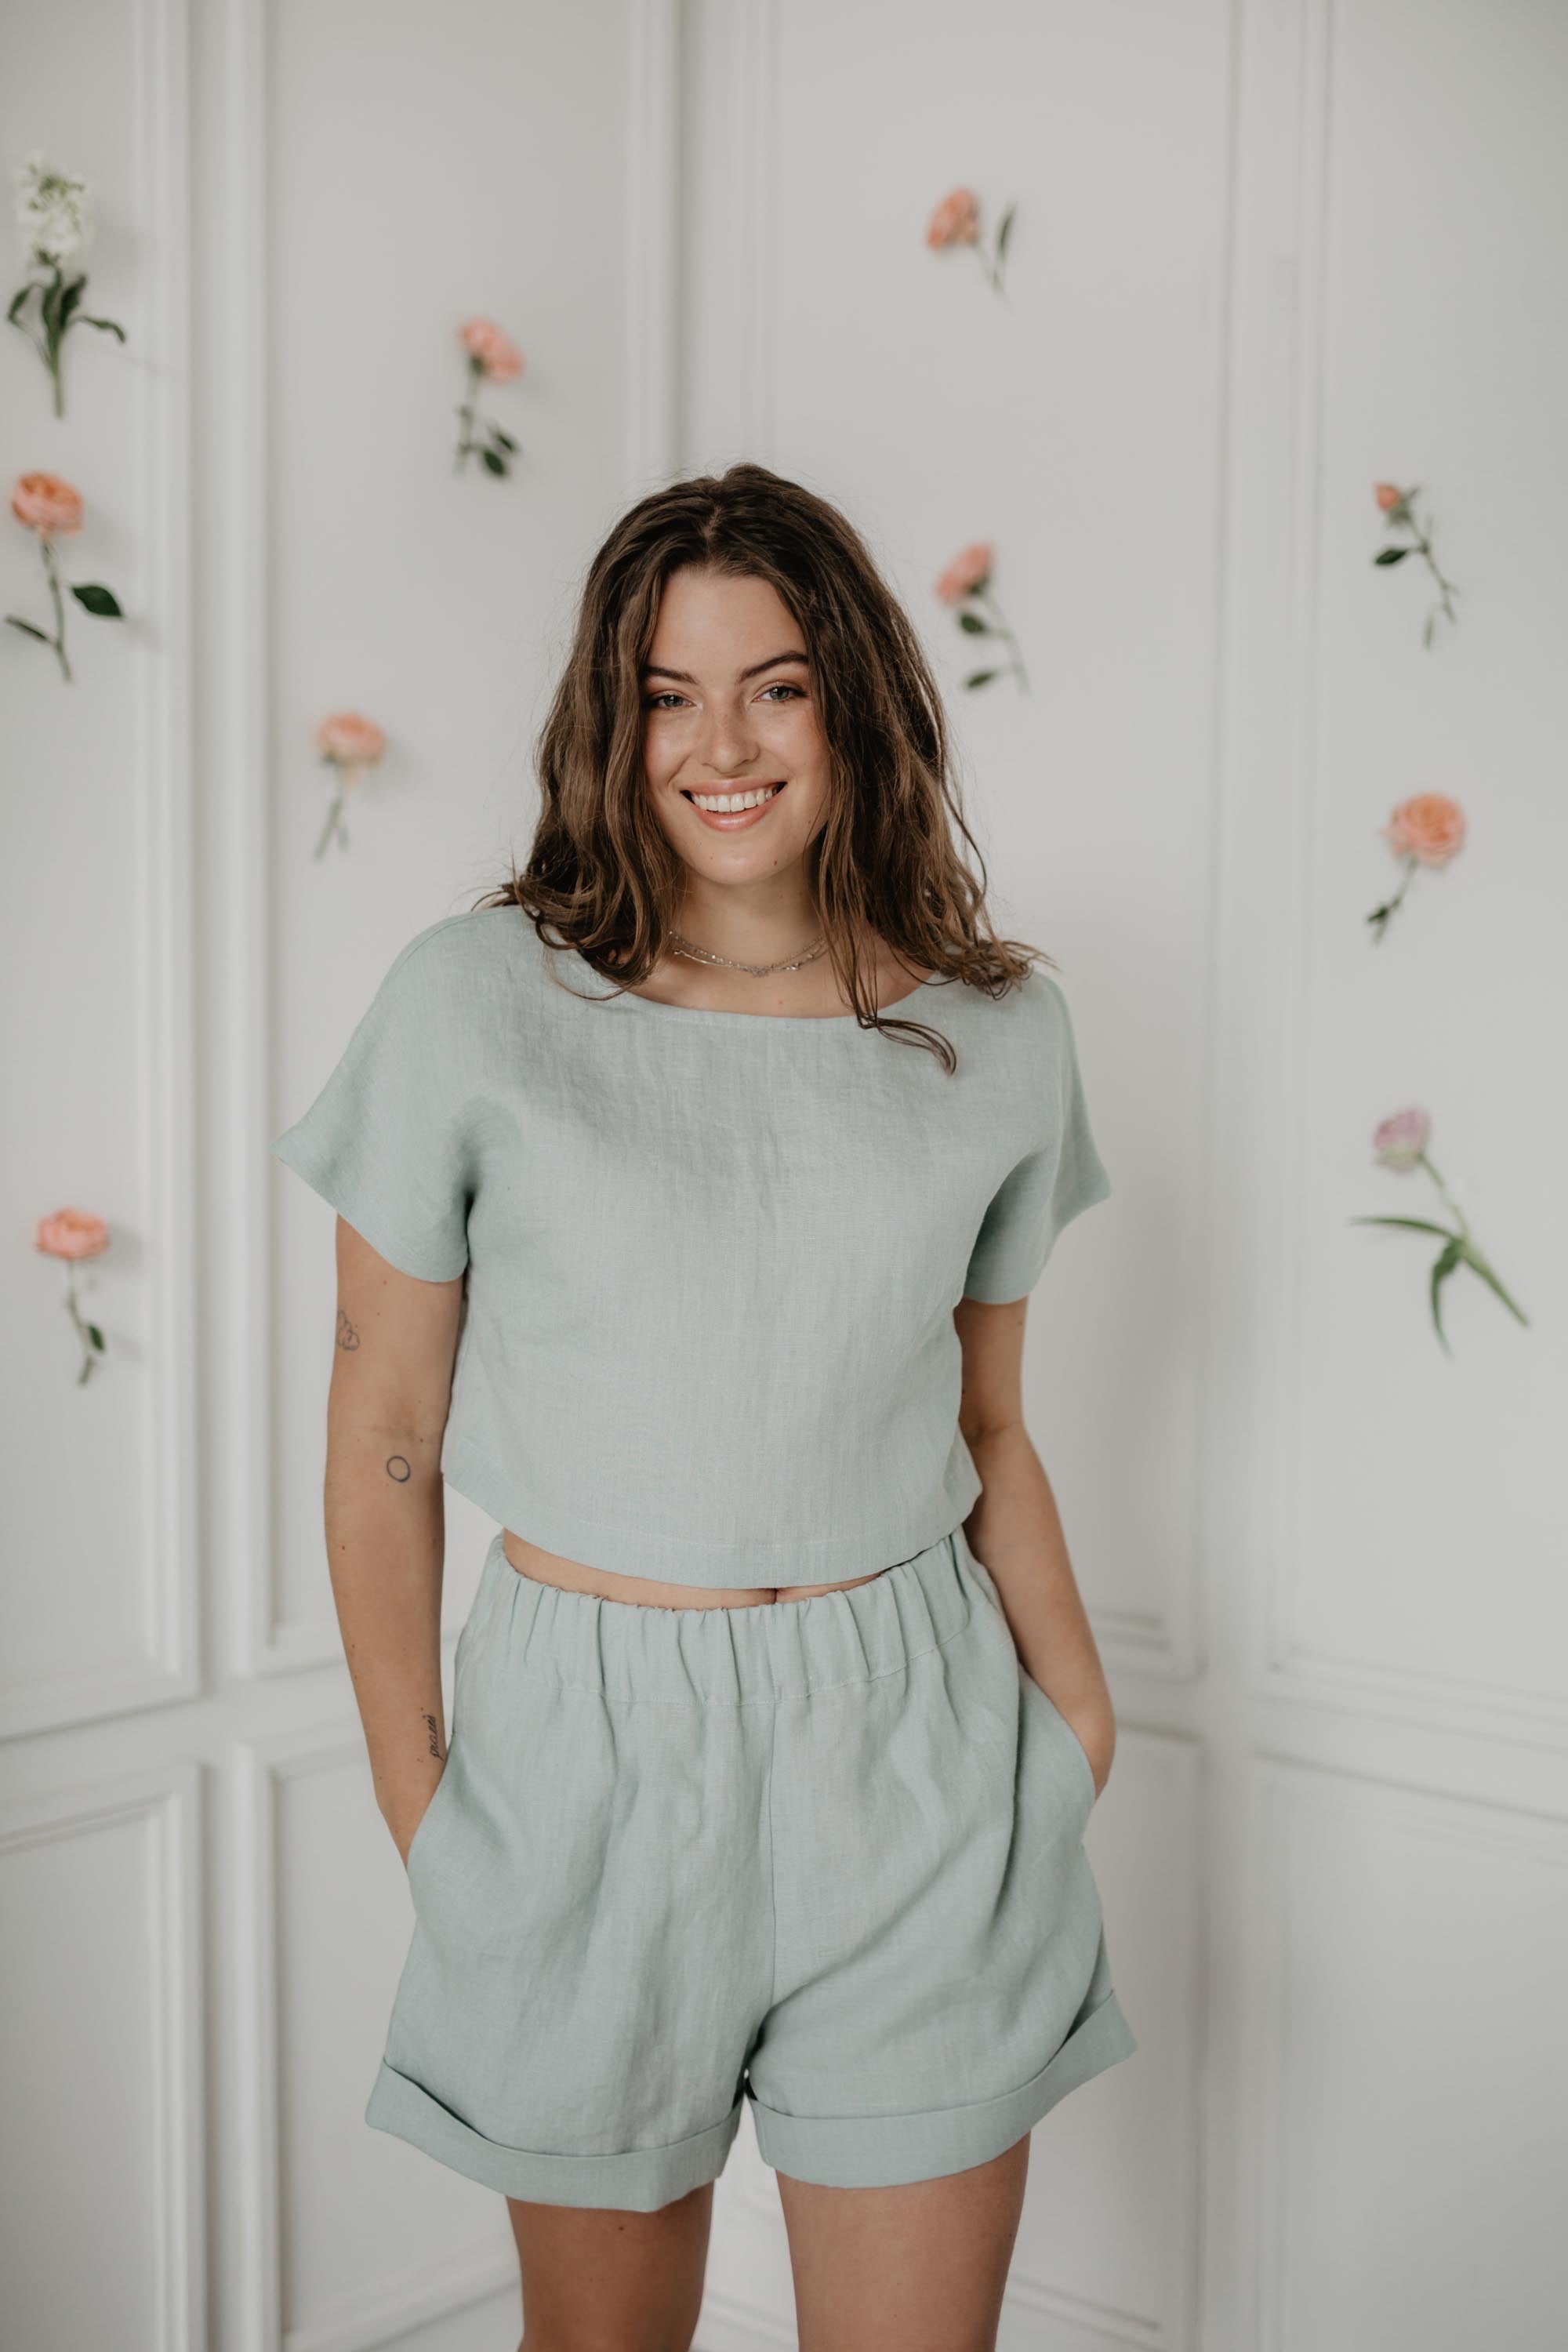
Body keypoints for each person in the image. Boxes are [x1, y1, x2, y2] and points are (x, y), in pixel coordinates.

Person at [273, 462, 1136, 2352]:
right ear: (613, 717)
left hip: (913, 1743)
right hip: (582, 1755)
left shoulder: (997, 1029)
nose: (720, 746)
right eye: (668, 694)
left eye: (776, 687)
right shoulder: (475, 1002)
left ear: (856, 705)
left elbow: (990, 1424)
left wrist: (1073, 1724)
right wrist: (428, 1807)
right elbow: (385, 1432)